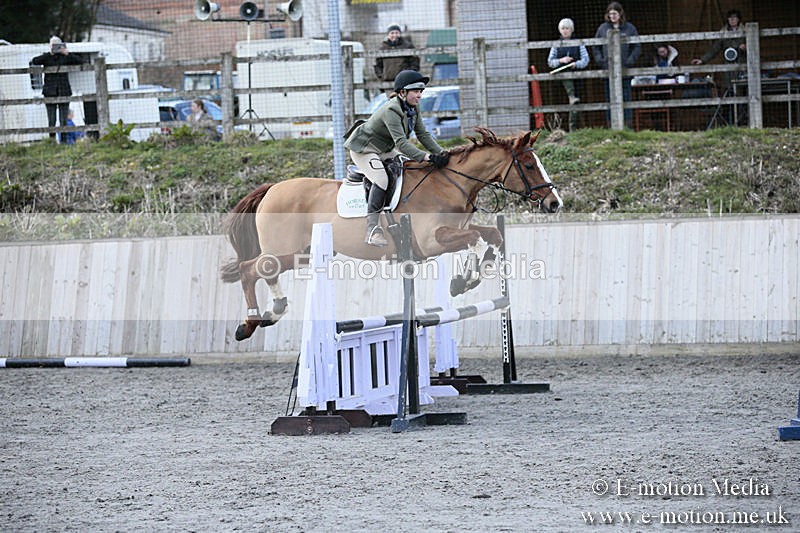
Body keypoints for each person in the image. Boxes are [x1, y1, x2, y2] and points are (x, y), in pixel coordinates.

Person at [344, 70, 450, 247]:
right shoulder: (391, 109)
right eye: (416, 91)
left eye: (421, 91)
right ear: (402, 93)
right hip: (364, 149)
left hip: (384, 148)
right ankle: (372, 229)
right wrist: (427, 157)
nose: (419, 95)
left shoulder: (413, 108)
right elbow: (401, 143)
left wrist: (442, 153)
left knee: (409, 167)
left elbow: (423, 134)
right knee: (382, 179)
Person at [593, 2, 641, 127]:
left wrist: (630, 60)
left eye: (615, 13)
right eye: (610, 14)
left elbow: (637, 46)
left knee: (626, 98)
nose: (612, 16)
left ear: (620, 13)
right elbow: (595, 47)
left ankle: (627, 126)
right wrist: (601, 60)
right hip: (608, 70)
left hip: (625, 70)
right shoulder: (602, 28)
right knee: (610, 99)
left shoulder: (630, 28)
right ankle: (611, 126)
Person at [30, 37, 85, 140]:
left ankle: (63, 140)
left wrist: (67, 53)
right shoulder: (47, 57)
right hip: (49, 91)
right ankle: (52, 140)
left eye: (57, 45)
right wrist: (49, 53)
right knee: (52, 119)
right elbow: (35, 61)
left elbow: (80, 61)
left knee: (63, 119)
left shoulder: (65, 57)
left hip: (63, 90)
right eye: (53, 45)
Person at [547, 18, 590, 131]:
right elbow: (550, 62)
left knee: (575, 103)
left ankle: (573, 128)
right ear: (560, 30)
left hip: (577, 76)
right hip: (561, 79)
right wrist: (561, 61)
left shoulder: (579, 43)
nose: (565, 31)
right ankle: (563, 127)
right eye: (563, 28)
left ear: (571, 30)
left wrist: (576, 64)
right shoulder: (556, 44)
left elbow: (585, 60)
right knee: (571, 100)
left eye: (567, 28)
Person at [691, 9, 747, 93]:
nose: (732, 20)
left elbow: (754, 48)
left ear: (738, 19)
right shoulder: (723, 33)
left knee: (743, 88)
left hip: (743, 63)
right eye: (730, 18)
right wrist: (702, 60)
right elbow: (714, 49)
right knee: (729, 89)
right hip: (729, 66)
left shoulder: (746, 31)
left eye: (734, 17)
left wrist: (746, 47)